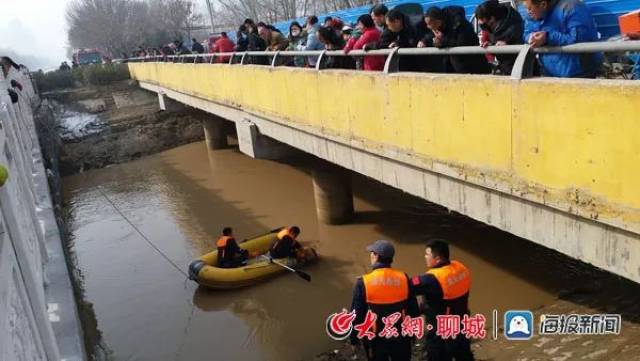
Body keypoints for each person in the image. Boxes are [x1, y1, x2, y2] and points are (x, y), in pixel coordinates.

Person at [350, 240, 420, 361]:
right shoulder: (403, 278)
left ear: (376, 256)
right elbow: (413, 309)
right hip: (400, 337)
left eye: (372, 252)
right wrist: (413, 334)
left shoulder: (363, 282)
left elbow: (356, 315)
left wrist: (354, 340)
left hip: (375, 339)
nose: (370, 255)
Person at [412, 239, 473, 361]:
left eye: (427, 254)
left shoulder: (431, 279)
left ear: (438, 258)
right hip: (461, 325)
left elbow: (406, 286)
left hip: (441, 333)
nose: (425, 257)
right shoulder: (461, 268)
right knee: (465, 356)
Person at [522, 0, 603, 78]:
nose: (527, 12)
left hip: (579, 72)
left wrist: (548, 37)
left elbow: (580, 39)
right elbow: (526, 32)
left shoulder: (572, 7)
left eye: (529, 8)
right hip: (548, 73)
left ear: (543, 4)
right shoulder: (532, 15)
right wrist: (530, 38)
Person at [419, 6, 490, 74]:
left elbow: (461, 42)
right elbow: (432, 34)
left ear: (437, 21)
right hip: (457, 66)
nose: (427, 27)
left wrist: (441, 42)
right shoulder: (441, 25)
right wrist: (424, 41)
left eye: (429, 24)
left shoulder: (460, 24)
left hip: (473, 65)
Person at [475, 0, 524, 75]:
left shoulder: (514, 25)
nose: (484, 27)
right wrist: (491, 46)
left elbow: (523, 42)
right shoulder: (492, 28)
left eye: (484, 24)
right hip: (506, 70)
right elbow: (497, 47)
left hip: (521, 71)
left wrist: (508, 46)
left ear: (492, 19)